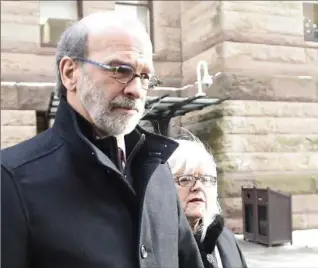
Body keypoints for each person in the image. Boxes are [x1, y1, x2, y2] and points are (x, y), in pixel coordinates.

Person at [1, 12, 204, 268]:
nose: (136, 90)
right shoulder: (10, 178)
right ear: (69, 73)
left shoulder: (157, 169)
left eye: (144, 76)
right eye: (121, 70)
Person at [168, 135, 248, 268]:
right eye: (186, 179)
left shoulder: (225, 239)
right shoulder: (153, 246)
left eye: (206, 180)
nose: (198, 187)